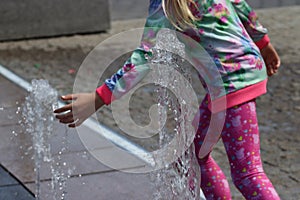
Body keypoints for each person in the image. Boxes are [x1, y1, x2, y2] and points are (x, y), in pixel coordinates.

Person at [54, 0, 281, 199]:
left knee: (247, 173)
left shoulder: (165, 3)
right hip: (229, 82)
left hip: (233, 82)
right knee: (191, 157)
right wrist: (264, 43)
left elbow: (145, 56)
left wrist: (99, 98)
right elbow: (242, 7)